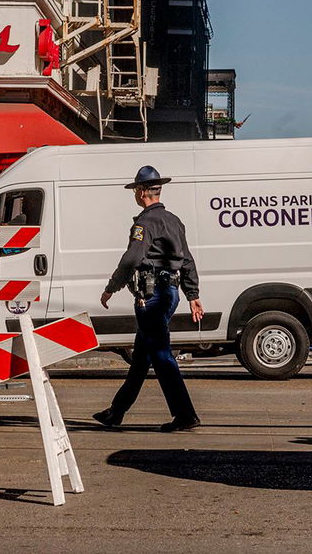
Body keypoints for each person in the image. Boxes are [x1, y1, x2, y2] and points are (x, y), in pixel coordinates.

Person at [93, 165, 204, 432]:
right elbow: (187, 260)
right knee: (142, 357)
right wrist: (192, 294)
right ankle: (116, 412)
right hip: (170, 293)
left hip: (151, 296)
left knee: (162, 356)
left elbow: (132, 258)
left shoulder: (144, 223)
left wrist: (112, 287)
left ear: (142, 192)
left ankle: (185, 414)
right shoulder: (175, 220)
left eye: (135, 190)